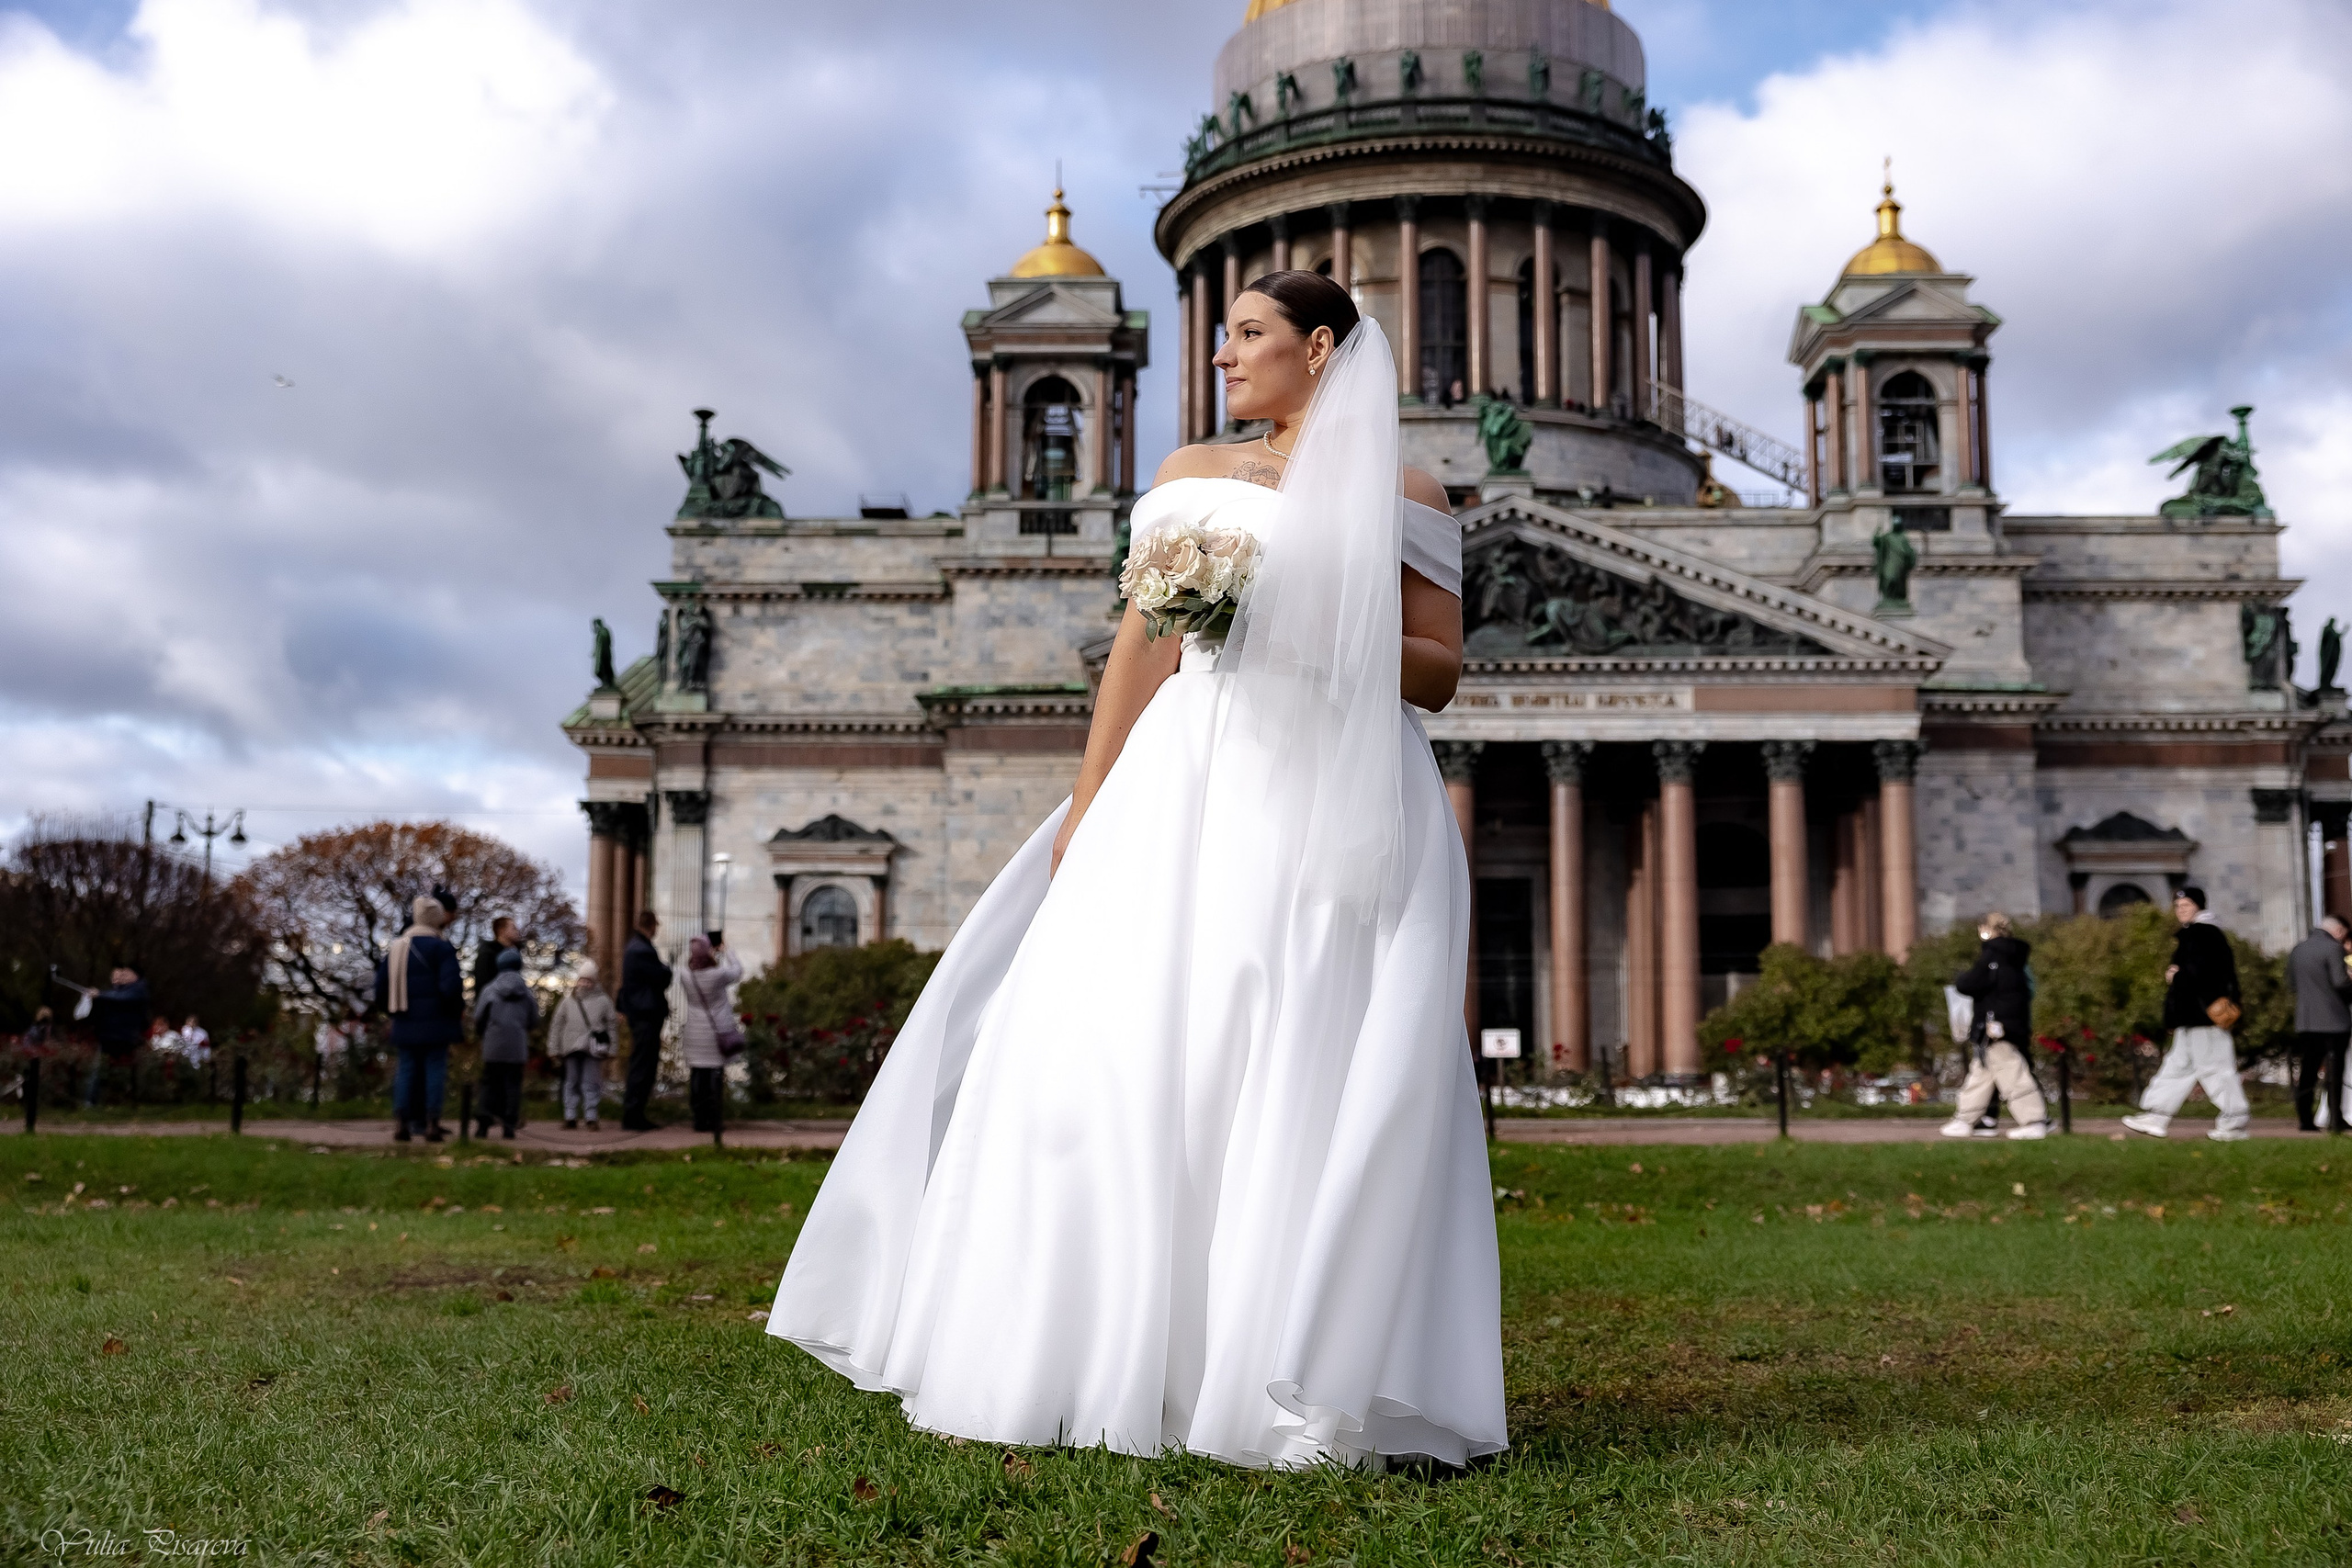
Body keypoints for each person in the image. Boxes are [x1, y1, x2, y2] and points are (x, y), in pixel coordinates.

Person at [769, 272, 1504, 1470]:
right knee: (1136, 1042)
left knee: (1293, 1037)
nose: (1222, 357)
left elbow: (1438, 671)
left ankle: (1281, 1366)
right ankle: (1105, 1354)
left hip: (1337, 789)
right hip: (1191, 777)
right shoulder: (1188, 472)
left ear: (1320, 347)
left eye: (1250, 334)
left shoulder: (1409, 493)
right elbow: (1138, 649)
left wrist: (1315, 615)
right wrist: (1087, 801)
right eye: (1225, 336)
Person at [2123, 886, 2250, 1142]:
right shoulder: (2201, 933)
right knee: (2177, 1068)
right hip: (2194, 1017)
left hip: (2203, 1016)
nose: (2180, 910)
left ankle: (2235, 1121)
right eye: (2177, 906)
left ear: (2198, 907)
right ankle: (2156, 1116)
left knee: (2215, 1069)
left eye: (2186, 905)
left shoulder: (2203, 933)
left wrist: (2177, 976)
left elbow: (2203, 974)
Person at [1941, 912, 2050, 1140]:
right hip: (2009, 1023)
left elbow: (1970, 983)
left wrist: (1961, 978)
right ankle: (1965, 1119)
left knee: (2011, 1072)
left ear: (1986, 929)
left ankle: (2033, 1121)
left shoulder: (1993, 955)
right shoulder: (2016, 958)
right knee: (1981, 1074)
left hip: (1995, 1026)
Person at [373, 895, 463, 1143]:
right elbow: (451, 987)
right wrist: (454, 1011)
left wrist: (392, 1011)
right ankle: (432, 1122)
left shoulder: (397, 947)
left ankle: (402, 1122)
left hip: (404, 1019)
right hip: (436, 1021)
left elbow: (381, 987)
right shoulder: (441, 948)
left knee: (406, 1070)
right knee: (435, 1069)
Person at [2287, 914, 2351, 1133]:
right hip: (2334, 1020)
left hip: (2306, 1020)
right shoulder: (2333, 949)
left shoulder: (2298, 949)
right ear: (2339, 931)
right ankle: (2335, 1118)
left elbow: (2292, 983)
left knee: (2308, 1069)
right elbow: (2340, 982)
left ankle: (2305, 1118)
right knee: (2335, 1071)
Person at [677, 934, 743, 1134]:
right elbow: (737, 971)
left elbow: (687, 966)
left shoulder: (685, 975)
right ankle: (713, 1119)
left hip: (694, 1034)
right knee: (715, 1077)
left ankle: (699, 1119)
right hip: (716, 1034)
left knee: (697, 1076)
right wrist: (726, 951)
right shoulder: (717, 975)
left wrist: (704, 953)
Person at [472, 946, 537, 1140]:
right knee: (513, 1086)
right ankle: (509, 1127)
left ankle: (483, 1125)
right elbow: (534, 1020)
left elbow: (479, 1016)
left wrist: (484, 1034)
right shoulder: (527, 993)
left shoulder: (489, 990)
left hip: (493, 1045)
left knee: (489, 1084)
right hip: (517, 1046)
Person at [617, 909, 673, 1132]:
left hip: (640, 1012)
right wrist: (667, 969)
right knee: (644, 1065)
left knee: (641, 1063)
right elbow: (661, 977)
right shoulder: (642, 950)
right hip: (646, 1013)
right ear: (651, 925)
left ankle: (634, 1112)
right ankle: (634, 1114)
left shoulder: (634, 947)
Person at [548, 961, 617, 1131]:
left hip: (592, 1049)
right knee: (571, 1082)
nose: (584, 983)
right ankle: (570, 1116)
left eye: (588, 980)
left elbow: (612, 1025)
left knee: (590, 1083)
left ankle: (591, 1116)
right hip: (570, 1048)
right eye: (582, 980)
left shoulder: (603, 1001)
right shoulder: (568, 1001)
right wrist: (554, 1048)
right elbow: (557, 1025)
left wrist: (612, 1048)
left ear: (594, 982)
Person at [83, 966, 151, 1108]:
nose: (123, 976)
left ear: (136, 976)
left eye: (127, 973)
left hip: (125, 1037)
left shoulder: (139, 990)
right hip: (110, 1037)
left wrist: (99, 994)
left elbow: (121, 998)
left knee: (113, 1071)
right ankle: (94, 1100)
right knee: (102, 1070)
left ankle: (98, 1100)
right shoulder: (119, 990)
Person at [472, 916, 520, 1005]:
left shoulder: (515, 955)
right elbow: (482, 985)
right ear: (501, 930)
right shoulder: (487, 955)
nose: (517, 931)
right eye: (513, 928)